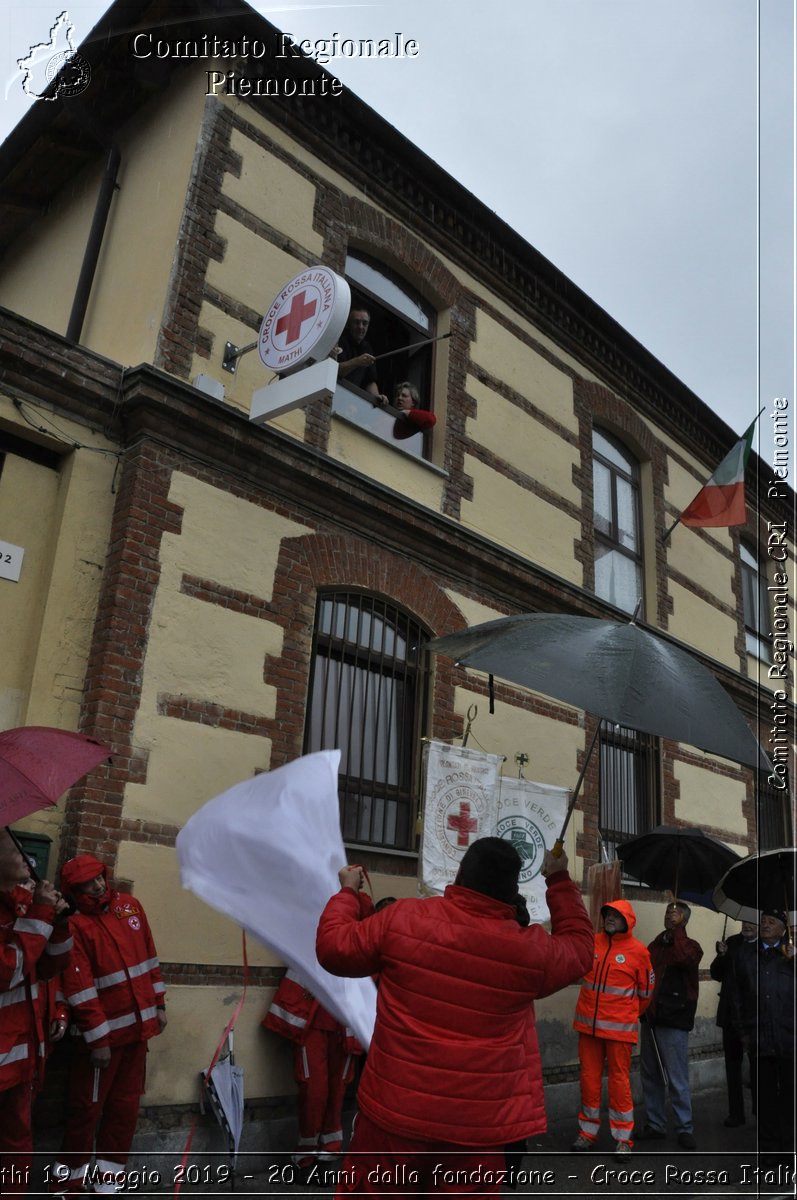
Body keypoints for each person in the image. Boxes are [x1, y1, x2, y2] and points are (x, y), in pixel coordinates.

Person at [316, 837, 593, 1195]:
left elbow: (333, 948)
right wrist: (558, 880)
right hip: (477, 1132)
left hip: (394, 1115)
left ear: (461, 873)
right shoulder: (530, 951)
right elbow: (582, 948)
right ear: (512, 891)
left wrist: (348, 893)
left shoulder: (404, 918)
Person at [50, 855, 166, 1195]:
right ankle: (67, 1183)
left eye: (99, 878)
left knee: (125, 1109)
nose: (98, 886)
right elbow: (79, 986)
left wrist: (159, 1004)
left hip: (138, 1034)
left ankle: (108, 1181)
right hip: (103, 1042)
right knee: (85, 1112)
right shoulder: (73, 925)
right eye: (87, 884)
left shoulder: (129, 907)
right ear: (74, 889)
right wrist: (98, 1040)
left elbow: (150, 957)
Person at [0, 831, 72, 1197]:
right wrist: (42, 915)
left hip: (21, 1058)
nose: (22, 854)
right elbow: (8, 970)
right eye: (12, 846)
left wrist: (57, 922)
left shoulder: (21, 904)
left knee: (16, 1147)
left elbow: (47, 969)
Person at [571, 900, 653, 1158]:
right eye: (607, 914)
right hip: (588, 1028)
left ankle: (623, 1139)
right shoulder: (592, 943)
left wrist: (624, 1015)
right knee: (589, 1080)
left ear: (627, 921)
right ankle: (587, 1133)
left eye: (615, 916)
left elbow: (646, 994)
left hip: (618, 1031)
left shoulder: (639, 952)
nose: (609, 918)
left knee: (619, 1083)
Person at [263, 971, 363, 1170]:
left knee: (337, 1092)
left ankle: (329, 1154)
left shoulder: (361, 942)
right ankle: (305, 1157)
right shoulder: (314, 940)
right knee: (314, 1092)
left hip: (346, 1025)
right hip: (312, 1022)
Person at [636, 899, 703, 1149]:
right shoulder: (656, 944)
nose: (668, 915)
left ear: (684, 919)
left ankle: (684, 1127)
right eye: (667, 911)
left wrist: (677, 932)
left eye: (674, 913)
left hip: (674, 1020)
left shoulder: (691, 946)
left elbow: (683, 958)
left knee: (676, 1077)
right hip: (651, 1017)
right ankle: (655, 1124)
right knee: (650, 1074)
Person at [729, 908, 795, 1161]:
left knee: (790, 1098)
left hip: (790, 1040)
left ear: (783, 928)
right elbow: (736, 998)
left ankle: (789, 1149)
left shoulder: (791, 955)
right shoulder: (745, 956)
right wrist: (745, 1035)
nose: (765, 925)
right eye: (763, 921)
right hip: (759, 1039)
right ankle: (768, 1150)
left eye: (772, 921)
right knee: (765, 1098)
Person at [709, 919, 758, 1127]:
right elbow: (716, 973)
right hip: (730, 1014)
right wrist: (721, 956)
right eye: (745, 922)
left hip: (755, 1017)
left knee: (758, 1067)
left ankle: (760, 1111)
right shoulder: (732, 942)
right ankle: (736, 1113)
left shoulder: (766, 945)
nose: (747, 926)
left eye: (753, 923)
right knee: (732, 1066)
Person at [336, 307, 388, 405]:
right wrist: (357, 362)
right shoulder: (340, 341)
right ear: (348, 324)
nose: (360, 327)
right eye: (356, 322)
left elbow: (370, 380)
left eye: (364, 323)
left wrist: (377, 396)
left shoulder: (367, 348)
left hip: (352, 402)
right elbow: (335, 371)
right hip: (335, 395)